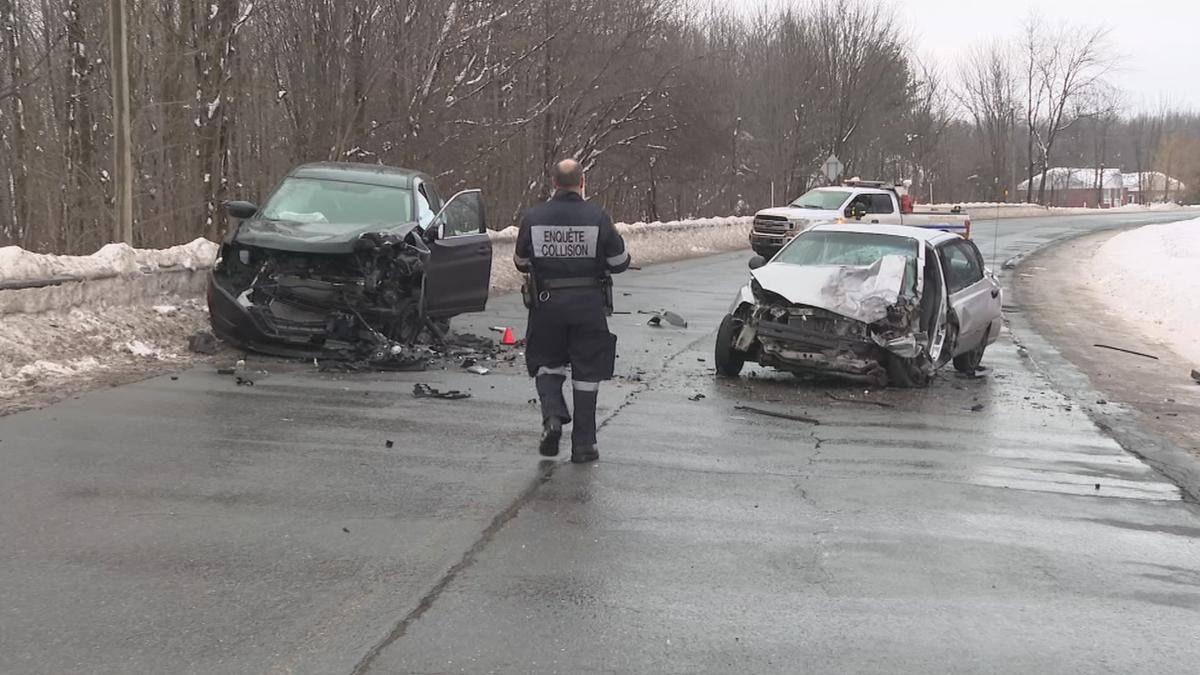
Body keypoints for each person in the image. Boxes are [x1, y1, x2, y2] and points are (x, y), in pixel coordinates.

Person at [514, 159, 630, 463]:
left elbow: (521, 262)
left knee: (546, 363)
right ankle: (584, 444)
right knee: (587, 373)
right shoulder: (598, 216)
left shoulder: (534, 216)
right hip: (588, 305)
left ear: (554, 183)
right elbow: (619, 263)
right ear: (582, 182)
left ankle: (552, 416)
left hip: (546, 303)